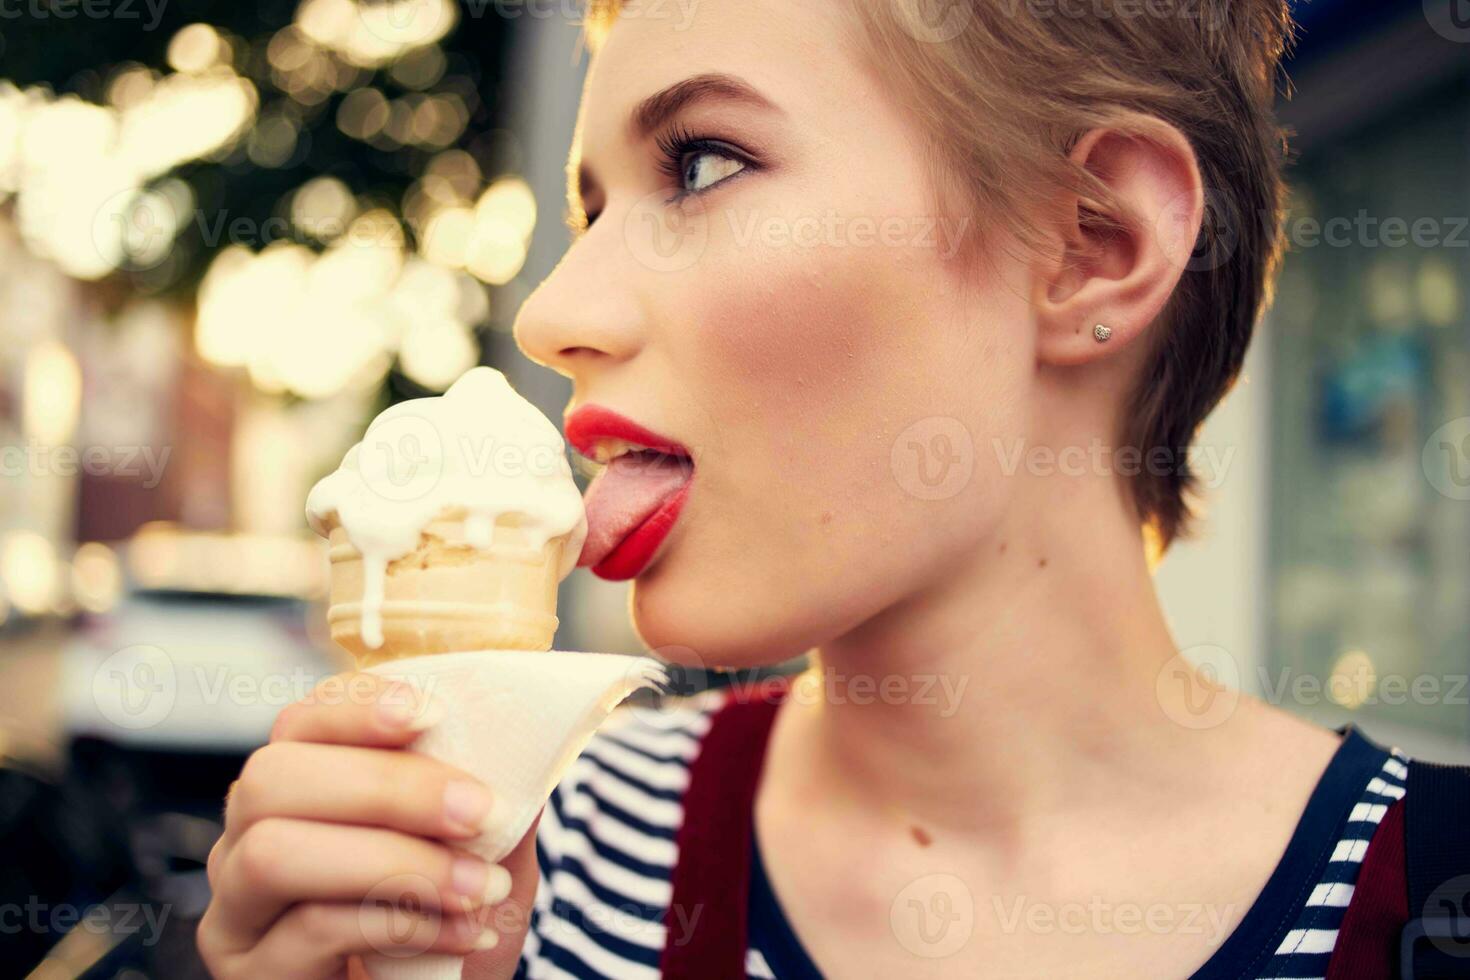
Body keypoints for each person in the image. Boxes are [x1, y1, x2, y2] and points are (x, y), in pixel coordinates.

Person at [196, 2, 1468, 978]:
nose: (553, 312)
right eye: (590, 210)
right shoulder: (519, 866)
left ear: (1094, 244)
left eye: (699, 165)